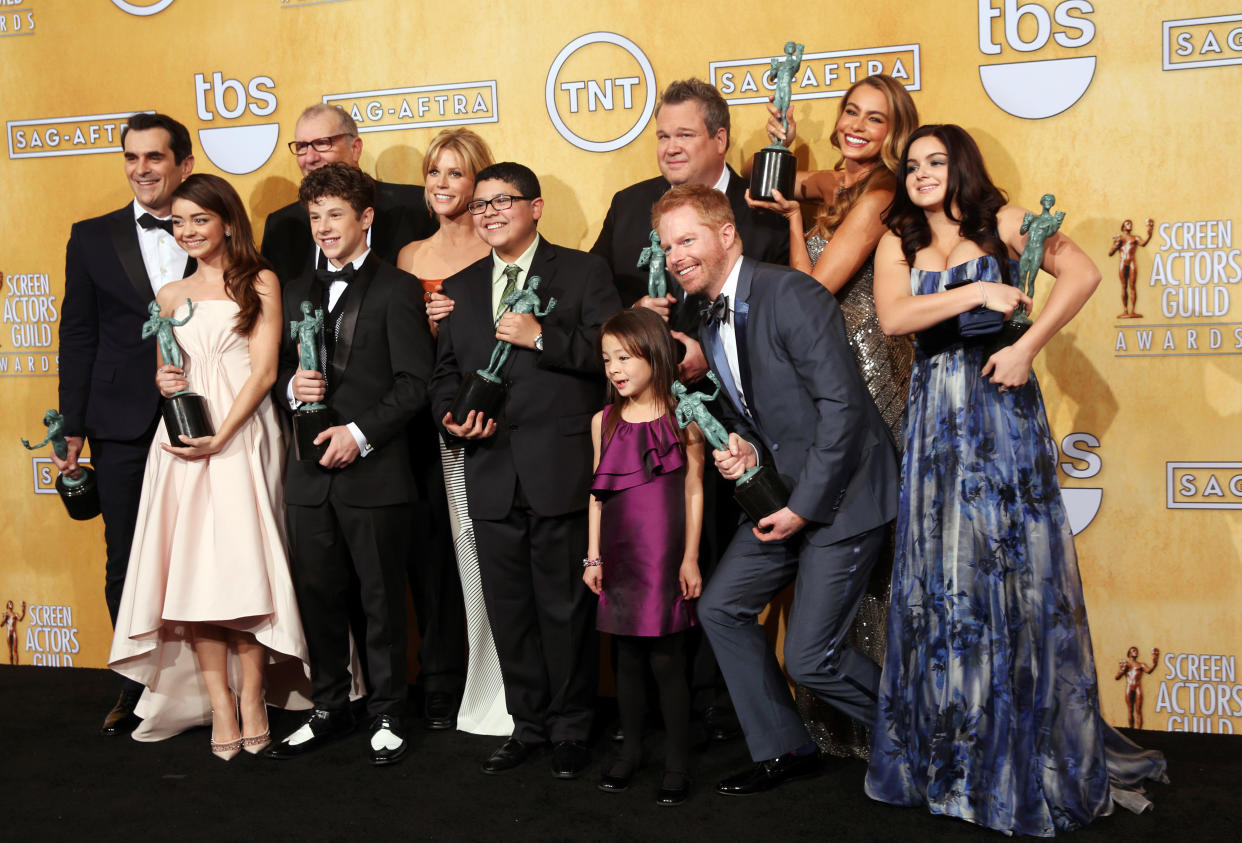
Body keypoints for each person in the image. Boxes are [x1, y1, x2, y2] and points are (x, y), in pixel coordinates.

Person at [864, 124, 1168, 835]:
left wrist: (1029, 344)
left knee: (1013, 574)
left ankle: (1022, 752)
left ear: (961, 166)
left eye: (936, 161)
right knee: (944, 581)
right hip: (937, 418)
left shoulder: (1003, 221)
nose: (922, 174)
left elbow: (1086, 273)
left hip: (1001, 412)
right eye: (912, 165)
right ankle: (955, 759)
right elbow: (895, 314)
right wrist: (983, 291)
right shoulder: (896, 240)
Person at [652, 183, 899, 797]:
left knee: (811, 658)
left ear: (726, 233)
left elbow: (843, 410)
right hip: (783, 494)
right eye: (667, 245)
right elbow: (759, 413)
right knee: (720, 607)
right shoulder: (707, 319)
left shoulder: (789, 292)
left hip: (843, 495)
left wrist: (800, 508)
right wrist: (745, 450)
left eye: (688, 239)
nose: (676, 255)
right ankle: (785, 746)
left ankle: (922, 737)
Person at [593, 77, 789, 743]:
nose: (668, 147)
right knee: (670, 563)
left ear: (720, 139)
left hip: (747, 429)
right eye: (661, 136)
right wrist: (632, 324)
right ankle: (673, 714)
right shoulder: (627, 207)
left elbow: (785, 311)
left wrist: (704, 350)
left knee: (731, 563)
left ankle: (732, 711)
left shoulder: (763, 211)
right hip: (652, 433)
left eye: (683, 134)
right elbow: (598, 303)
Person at [745, 73, 919, 759]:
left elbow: (812, 292)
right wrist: (779, 146)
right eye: (851, 112)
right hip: (824, 374)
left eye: (876, 121)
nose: (858, 127)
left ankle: (892, 723)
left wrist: (791, 219)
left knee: (867, 538)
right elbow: (777, 186)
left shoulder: (881, 193)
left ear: (893, 134)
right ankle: (848, 721)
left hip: (866, 376)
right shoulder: (839, 180)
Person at [107, 173, 309, 758]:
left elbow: (266, 373)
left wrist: (222, 434)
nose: (189, 230)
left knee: (244, 574)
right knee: (194, 578)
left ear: (226, 221)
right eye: (179, 221)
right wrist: (164, 379)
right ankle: (220, 705)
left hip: (243, 437)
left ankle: (252, 699)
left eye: (200, 219)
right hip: (182, 445)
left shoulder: (261, 281)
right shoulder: (169, 296)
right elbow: (169, 368)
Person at [430, 162, 621, 778]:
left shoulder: (583, 271)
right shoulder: (459, 285)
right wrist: (452, 419)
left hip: (559, 468)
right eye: (479, 204)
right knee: (509, 609)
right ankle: (527, 724)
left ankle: (571, 728)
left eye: (502, 201)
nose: (488, 212)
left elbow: (612, 356)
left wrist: (542, 337)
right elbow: (443, 377)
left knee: (565, 609)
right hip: (488, 470)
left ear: (535, 207)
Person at [264, 163, 433, 767]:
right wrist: (292, 389)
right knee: (319, 595)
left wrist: (359, 435)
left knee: (382, 601)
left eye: (336, 214)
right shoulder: (292, 290)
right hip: (308, 475)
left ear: (366, 218)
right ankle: (330, 704)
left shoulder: (396, 289)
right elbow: (274, 373)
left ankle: (389, 711)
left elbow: (415, 385)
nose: (324, 227)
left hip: (374, 471)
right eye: (315, 217)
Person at [56, 112, 195, 736]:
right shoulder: (90, 237)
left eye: (155, 158)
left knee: (206, 553)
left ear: (182, 164)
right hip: (121, 422)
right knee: (127, 560)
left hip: (206, 413)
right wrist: (72, 427)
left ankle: (211, 683)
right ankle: (135, 685)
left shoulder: (213, 227)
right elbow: (78, 335)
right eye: (132, 158)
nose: (142, 169)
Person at [397, 128, 507, 736]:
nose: (442, 185)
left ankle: (502, 680)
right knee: (436, 556)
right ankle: (444, 681)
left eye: (456, 174)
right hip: (426, 427)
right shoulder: (411, 257)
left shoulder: (502, 251)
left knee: (489, 556)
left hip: (487, 422)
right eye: (434, 173)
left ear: (480, 183)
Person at [585, 308, 705, 806]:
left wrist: (690, 557)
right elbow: (597, 493)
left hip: (664, 555)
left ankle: (677, 762)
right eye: (607, 358)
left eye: (625, 357)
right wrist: (592, 557)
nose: (614, 367)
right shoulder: (604, 420)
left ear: (653, 354)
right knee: (626, 660)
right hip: (618, 554)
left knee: (666, 661)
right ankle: (630, 752)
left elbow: (695, 489)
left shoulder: (686, 417)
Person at [261, 104, 436, 284]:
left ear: (355, 148)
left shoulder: (414, 208)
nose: (310, 157)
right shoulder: (281, 228)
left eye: (322, 143)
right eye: (302, 146)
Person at [1108, 217, 1154, 318]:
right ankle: (1125, 310)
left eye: (1131, 223)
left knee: (1132, 286)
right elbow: (1110, 253)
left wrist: (1150, 233)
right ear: (1123, 226)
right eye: (1128, 223)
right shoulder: (1120, 238)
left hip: (1132, 262)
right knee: (1124, 287)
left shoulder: (1135, 238)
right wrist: (1115, 245)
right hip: (1123, 263)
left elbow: (1143, 243)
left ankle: (1132, 310)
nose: (1130, 224)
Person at [1116, 646, 1161, 729]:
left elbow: (1149, 671)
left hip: (1137, 688)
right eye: (1133, 650)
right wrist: (1122, 670)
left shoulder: (1141, 665)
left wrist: (1155, 662)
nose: (1135, 652)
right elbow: (1117, 677)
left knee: (1138, 711)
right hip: (1129, 687)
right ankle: (1131, 729)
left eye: (1136, 650)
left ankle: (1139, 730)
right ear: (1129, 654)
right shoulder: (1126, 665)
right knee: (1130, 710)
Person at [3, 601, 25, 665]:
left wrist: (23, 608)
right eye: (10, 603)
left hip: (14, 632)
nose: (11, 604)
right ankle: (11, 666)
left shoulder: (15, 614)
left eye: (12, 603)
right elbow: (1, 624)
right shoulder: (6, 614)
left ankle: (16, 666)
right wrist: (4, 617)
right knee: (10, 651)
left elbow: (20, 619)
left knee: (15, 650)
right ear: (7, 605)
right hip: (8, 633)